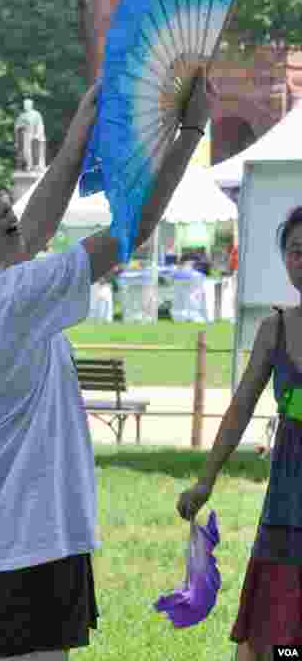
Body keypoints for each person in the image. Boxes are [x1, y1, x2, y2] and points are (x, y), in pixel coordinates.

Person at [0, 76, 212, 661]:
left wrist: (79, 130)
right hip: (28, 547)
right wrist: (189, 131)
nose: (2, 204)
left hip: (16, 541)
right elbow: (127, 233)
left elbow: (30, 229)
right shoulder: (2, 302)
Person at [177, 205, 302, 661]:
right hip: (288, 502)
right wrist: (205, 480)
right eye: (295, 251)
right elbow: (240, 407)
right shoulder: (276, 328)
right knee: (271, 636)